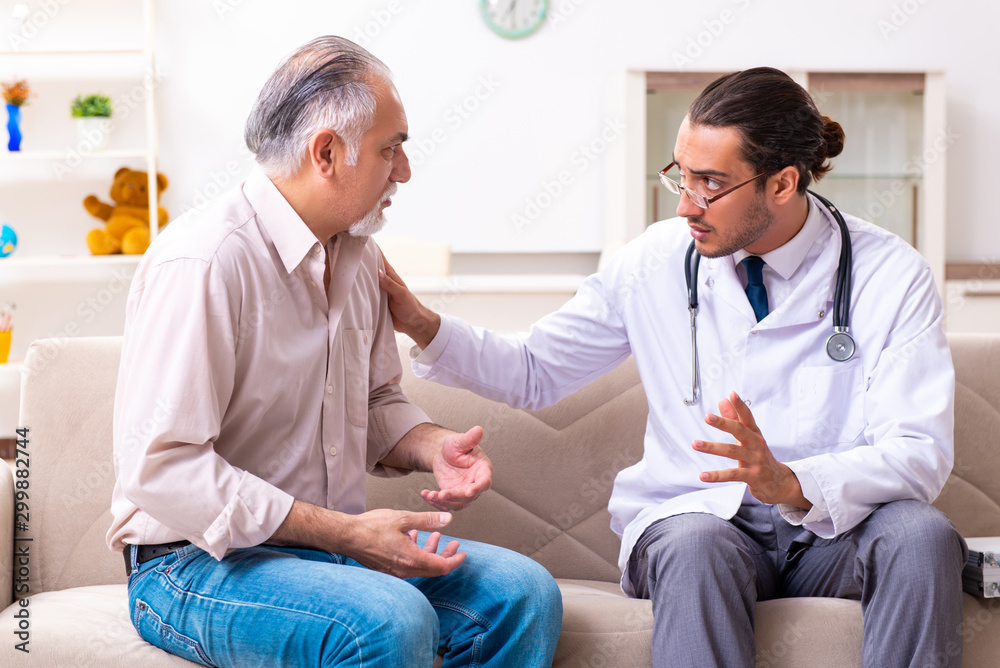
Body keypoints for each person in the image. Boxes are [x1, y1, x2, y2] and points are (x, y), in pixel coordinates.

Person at [380, 67, 967, 667]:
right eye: (679, 176)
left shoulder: (890, 275)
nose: (686, 204)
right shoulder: (656, 260)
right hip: (698, 521)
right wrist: (424, 324)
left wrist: (791, 483)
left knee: (921, 536)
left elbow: (918, 449)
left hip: (832, 533)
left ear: (784, 183)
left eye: (710, 183)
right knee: (697, 544)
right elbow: (535, 369)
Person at [106, 36, 562, 668]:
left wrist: (433, 446)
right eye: (390, 147)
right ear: (327, 152)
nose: (403, 170)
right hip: (192, 563)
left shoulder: (359, 255)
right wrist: (348, 533)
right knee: (388, 621)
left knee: (523, 594)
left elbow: (373, 402)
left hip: (318, 552)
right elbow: (162, 469)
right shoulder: (205, 262)